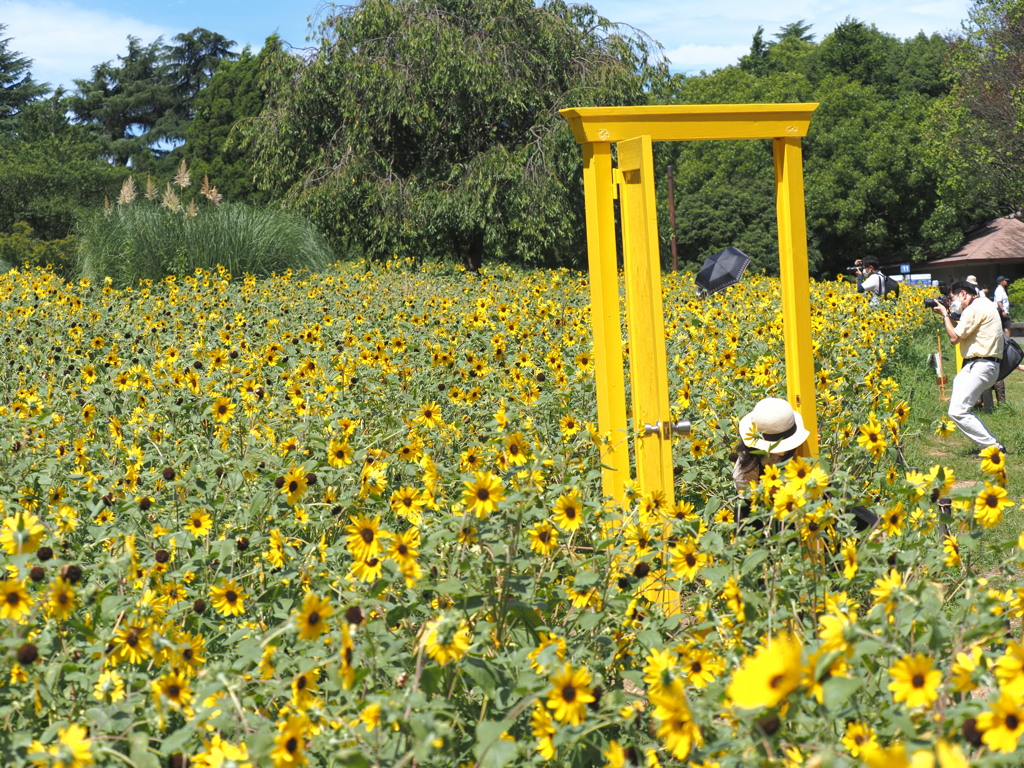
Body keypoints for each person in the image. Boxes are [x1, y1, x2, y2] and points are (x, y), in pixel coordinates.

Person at [931, 280, 1007, 454]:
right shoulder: (983, 304)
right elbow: (963, 330)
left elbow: (954, 338)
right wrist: (949, 316)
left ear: (963, 294)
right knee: (958, 405)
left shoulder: (974, 308)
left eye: (952, 298)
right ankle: (990, 445)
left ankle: (993, 447)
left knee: (958, 411)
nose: (952, 302)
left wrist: (945, 314)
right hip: (980, 364)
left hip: (981, 364)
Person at [733, 397, 809, 494]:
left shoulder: (799, 445)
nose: (782, 453)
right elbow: (750, 497)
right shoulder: (747, 468)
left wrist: (812, 447)